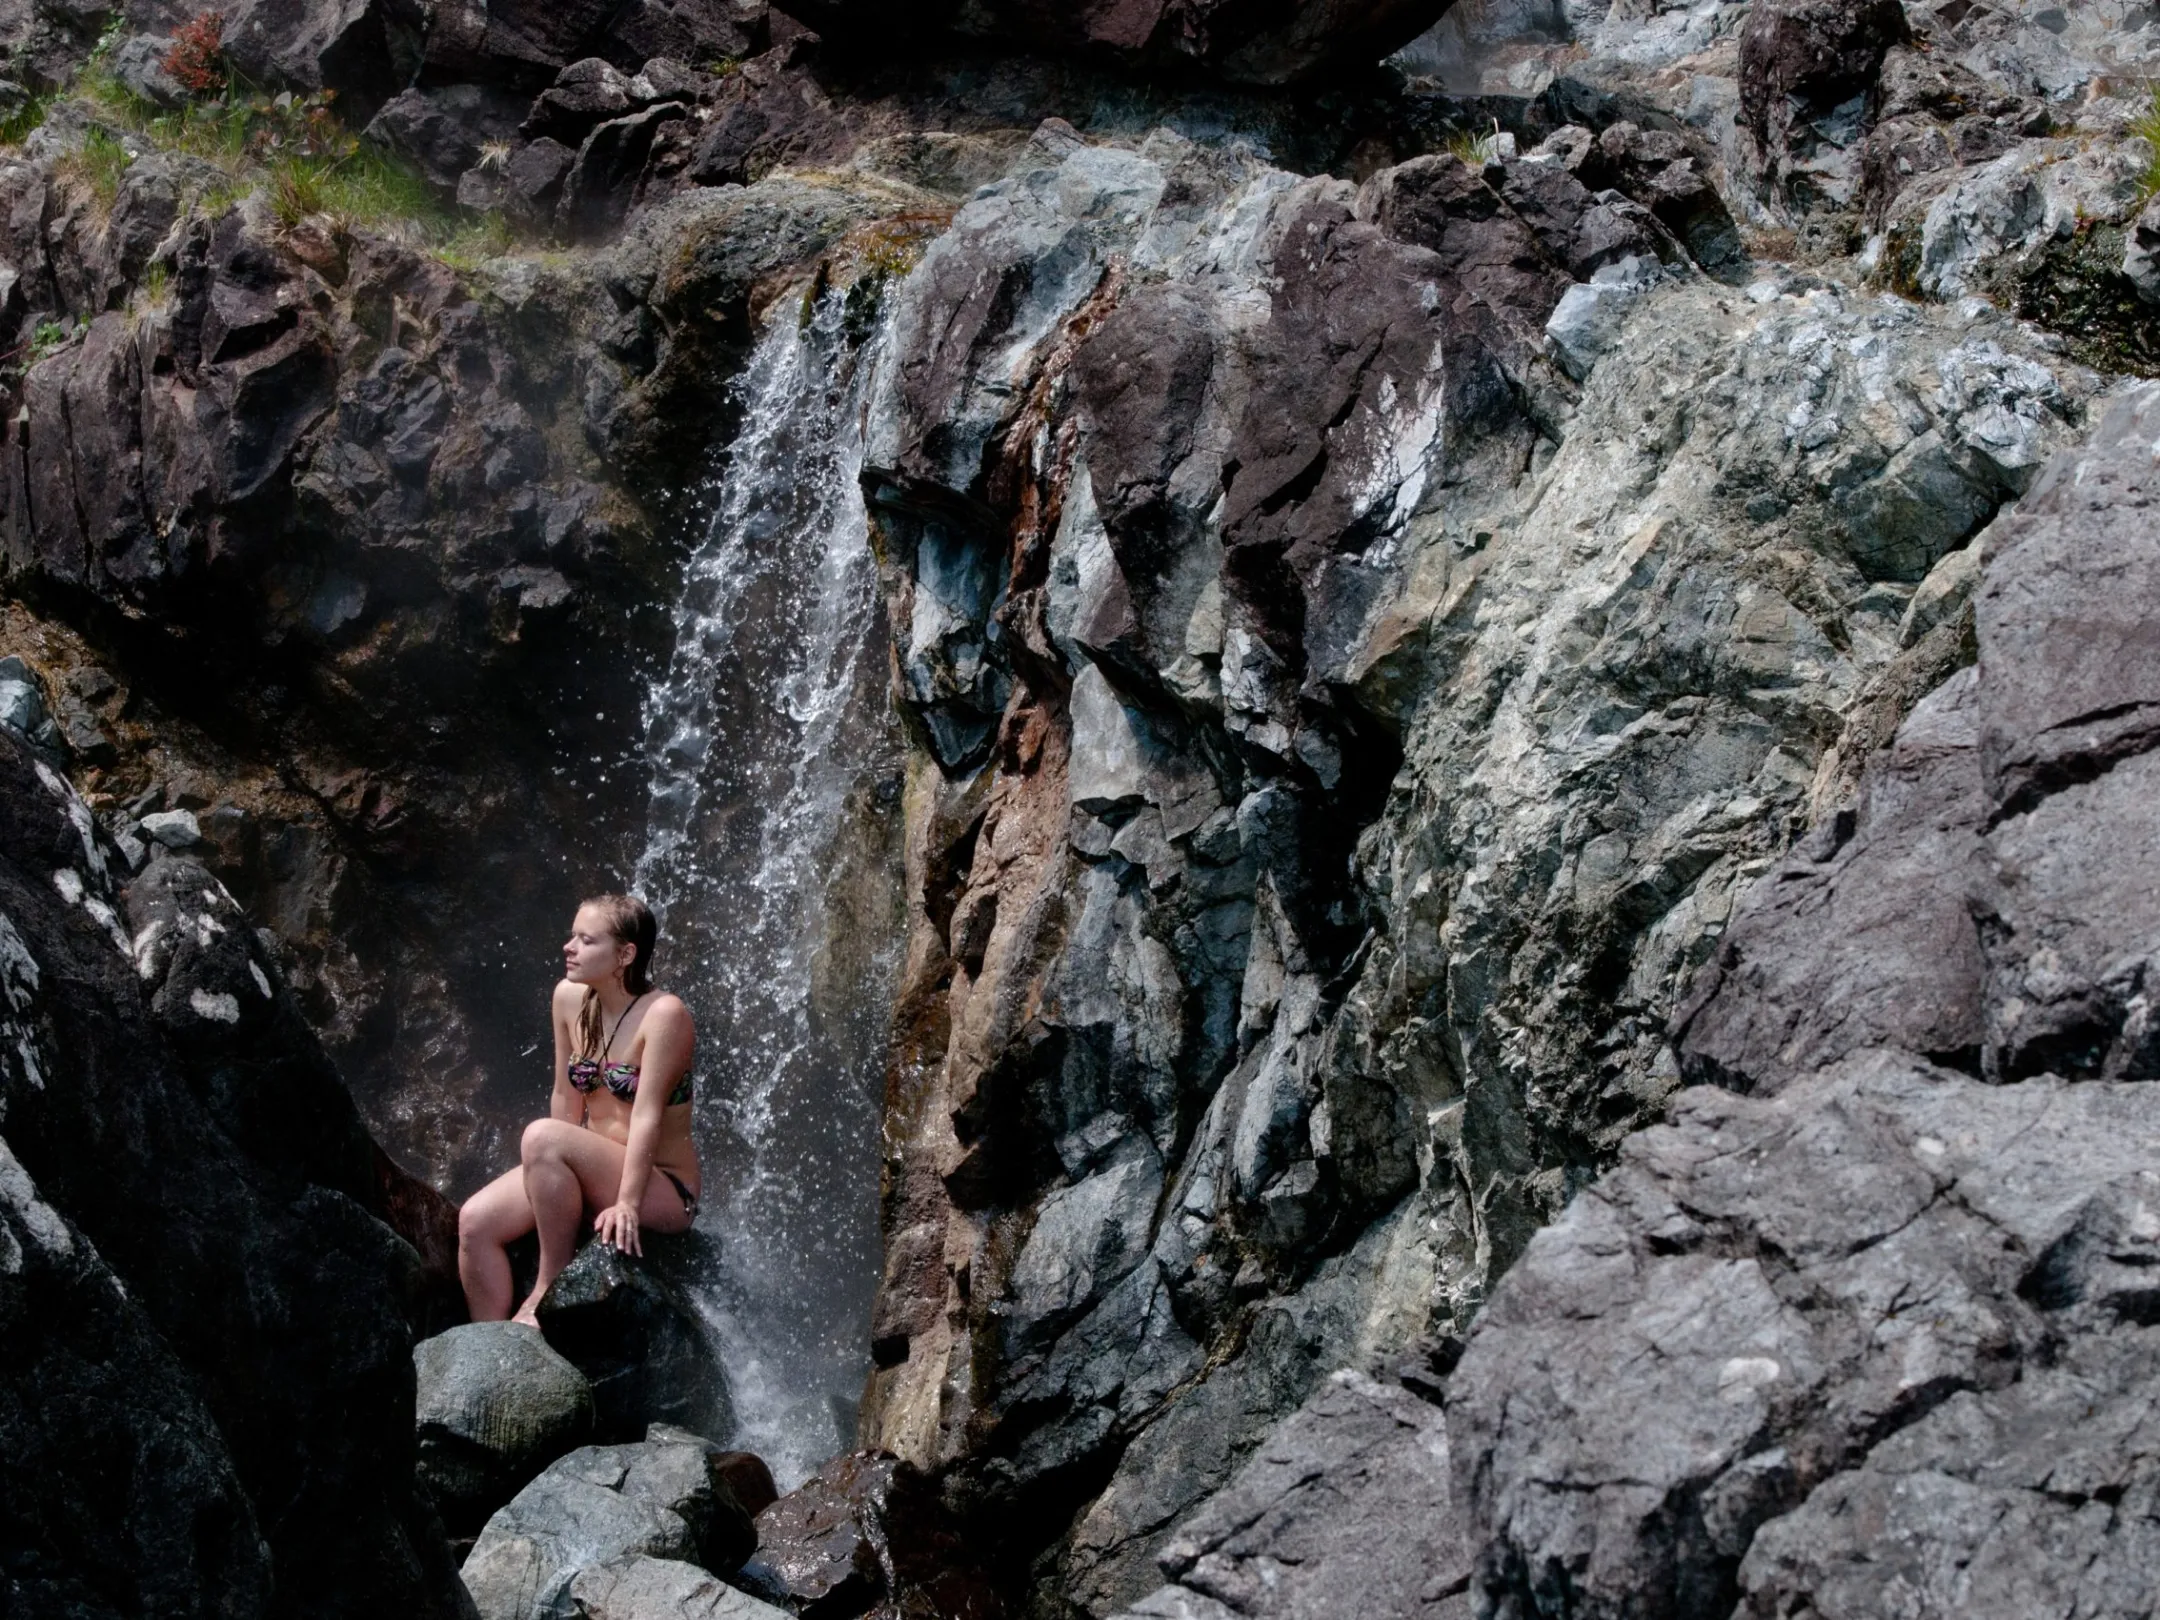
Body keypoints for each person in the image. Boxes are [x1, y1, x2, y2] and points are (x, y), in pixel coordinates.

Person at [457, 893, 702, 1326]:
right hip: (588, 1167)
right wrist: (543, 1177)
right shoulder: (568, 998)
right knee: (475, 1222)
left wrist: (626, 1203)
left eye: (586, 940)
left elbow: (647, 1114)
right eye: (572, 936)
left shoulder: (665, 1014)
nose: (568, 947)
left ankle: (548, 1286)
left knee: (541, 1136)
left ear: (625, 954)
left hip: (661, 1186)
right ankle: (487, 1341)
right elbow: (564, 1096)